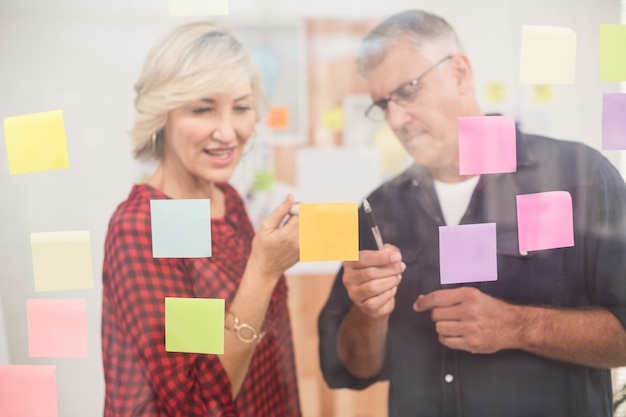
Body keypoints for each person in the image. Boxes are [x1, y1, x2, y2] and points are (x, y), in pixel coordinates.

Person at [318, 9, 626, 417]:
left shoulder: (578, 178)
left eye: (407, 92)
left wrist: (519, 327)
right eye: (382, 104)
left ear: (460, 73)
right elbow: (352, 369)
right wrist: (368, 313)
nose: (396, 120)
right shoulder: (380, 210)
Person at [101, 22, 301, 417]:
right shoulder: (144, 226)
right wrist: (263, 270)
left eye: (241, 107)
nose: (228, 132)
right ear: (163, 115)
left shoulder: (224, 198)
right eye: (202, 108)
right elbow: (195, 404)